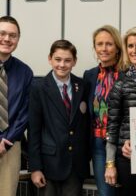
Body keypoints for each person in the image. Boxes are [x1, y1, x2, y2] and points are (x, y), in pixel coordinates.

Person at [28, 40, 90, 196]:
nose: (62, 64)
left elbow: (86, 125)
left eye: (67, 60)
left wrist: (85, 156)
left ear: (74, 61)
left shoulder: (82, 86)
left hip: (75, 166)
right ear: (50, 59)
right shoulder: (39, 88)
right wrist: (35, 168)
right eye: (58, 59)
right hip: (48, 165)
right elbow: (33, 131)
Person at [104, 26, 136, 196]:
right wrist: (110, 163)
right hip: (128, 157)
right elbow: (112, 125)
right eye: (130, 46)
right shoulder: (121, 83)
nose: (134, 50)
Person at [83, 25, 123, 196]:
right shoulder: (89, 75)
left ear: (117, 48)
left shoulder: (127, 73)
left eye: (109, 44)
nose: (104, 49)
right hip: (99, 144)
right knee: (105, 193)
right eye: (99, 44)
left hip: (122, 144)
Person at [0, 16, 33, 196]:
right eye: (2, 33)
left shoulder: (25, 72)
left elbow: (24, 112)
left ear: (18, 39)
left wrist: (7, 140)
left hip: (9, 147)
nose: (7, 39)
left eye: (12, 35)